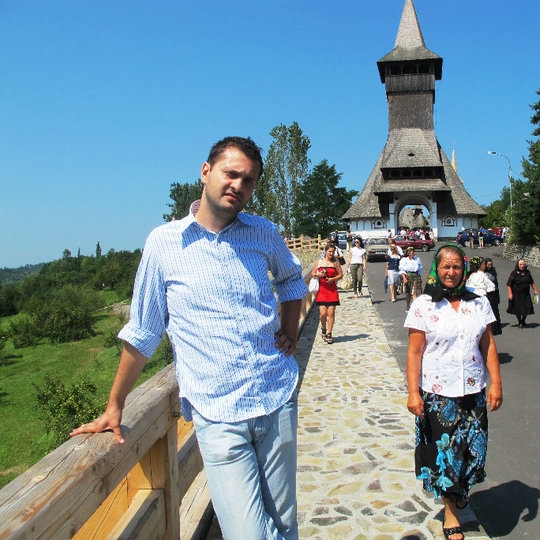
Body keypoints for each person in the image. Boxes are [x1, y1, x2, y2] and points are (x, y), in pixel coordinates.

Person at [70, 137, 307, 539]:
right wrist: (115, 405)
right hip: (217, 414)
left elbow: (291, 280)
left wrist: (288, 329)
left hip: (275, 397)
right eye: (231, 174)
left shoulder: (263, 233)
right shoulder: (164, 244)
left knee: (284, 525)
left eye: (248, 181)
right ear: (206, 172)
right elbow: (144, 331)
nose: (238, 185)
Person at [405, 244, 503, 540]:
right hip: (438, 392)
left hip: (473, 390)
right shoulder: (423, 304)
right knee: (447, 454)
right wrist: (413, 393)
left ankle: (460, 490)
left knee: (474, 449)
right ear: (436, 268)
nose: (451, 272)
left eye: (457, 266)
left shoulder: (479, 302)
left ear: (464, 269)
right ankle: (451, 512)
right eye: (445, 266)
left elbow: (488, 345)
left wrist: (496, 383)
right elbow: (414, 353)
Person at [312, 243, 343, 344]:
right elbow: (312, 273)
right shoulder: (319, 262)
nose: (331, 253)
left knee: (331, 313)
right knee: (323, 313)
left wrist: (333, 279)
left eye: (333, 252)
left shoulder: (335, 262)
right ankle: (323, 329)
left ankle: (329, 333)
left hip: (332, 290)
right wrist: (318, 275)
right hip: (322, 290)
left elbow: (340, 274)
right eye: (329, 251)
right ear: (325, 251)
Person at [506, 260, 539, 328]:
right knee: (518, 309)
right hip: (516, 294)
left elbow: (531, 282)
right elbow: (509, 284)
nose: (522, 266)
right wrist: (510, 294)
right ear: (518, 265)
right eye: (520, 264)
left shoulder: (528, 272)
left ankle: (523, 320)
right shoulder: (514, 273)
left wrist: (535, 290)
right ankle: (520, 321)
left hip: (526, 294)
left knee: (527, 307)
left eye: (523, 264)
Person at [400, 246, 423, 313]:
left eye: (414, 252)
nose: (414, 253)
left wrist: (419, 277)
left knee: (415, 293)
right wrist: (404, 278)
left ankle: (415, 308)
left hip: (416, 276)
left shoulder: (417, 259)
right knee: (408, 293)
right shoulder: (404, 260)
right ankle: (407, 306)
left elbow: (419, 269)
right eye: (412, 252)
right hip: (408, 276)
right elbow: (402, 270)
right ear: (409, 253)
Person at [484, 258, 502, 335]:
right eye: (488, 265)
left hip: (494, 293)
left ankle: (496, 328)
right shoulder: (483, 272)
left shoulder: (493, 271)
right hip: (487, 294)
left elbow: (496, 282)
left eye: (491, 265)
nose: (489, 266)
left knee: (495, 311)